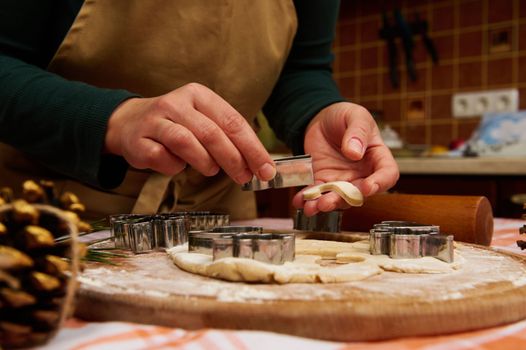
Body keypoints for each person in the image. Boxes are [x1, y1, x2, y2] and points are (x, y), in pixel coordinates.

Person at [0, 0, 399, 220]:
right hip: (48, 223)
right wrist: (113, 118)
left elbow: (301, 68)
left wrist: (318, 111)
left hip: (220, 221)